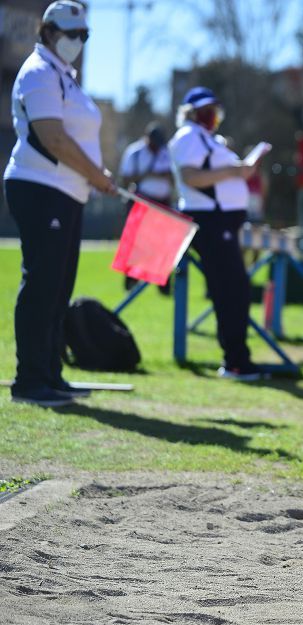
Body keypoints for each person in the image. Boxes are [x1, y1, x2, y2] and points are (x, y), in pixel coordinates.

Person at [4, 0, 117, 407]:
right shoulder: (38, 73)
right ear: (48, 32)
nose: (78, 42)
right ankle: (30, 381)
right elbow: (52, 138)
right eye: (71, 34)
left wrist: (93, 177)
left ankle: (50, 373)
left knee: (58, 288)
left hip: (67, 192)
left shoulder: (64, 77)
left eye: (83, 35)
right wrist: (96, 174)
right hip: (40, 187)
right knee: (42, 285)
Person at [169, 86, 262, 380]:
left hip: (223, 222)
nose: (212, 115)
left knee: (235, 288)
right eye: (205, 109)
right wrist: (236, 171)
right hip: (211, 221)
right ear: (191, 111)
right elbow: (191, 176)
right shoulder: (188, 136)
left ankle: (237, 358)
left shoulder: (207, 138)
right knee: (231, 289)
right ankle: (235, 361)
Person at [118, 120, 173, 291]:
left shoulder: (166, 152)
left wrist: (163, 175)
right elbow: (125, 179)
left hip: (163, 202)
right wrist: (147, 175)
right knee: (136, 243)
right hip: (141, 200)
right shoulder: (134, 153)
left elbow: (175, 177)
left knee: (163, 243)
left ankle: (162, 283)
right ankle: (131, 279)